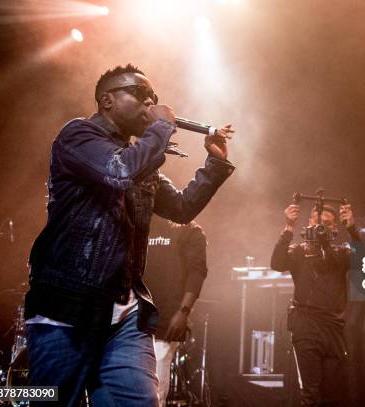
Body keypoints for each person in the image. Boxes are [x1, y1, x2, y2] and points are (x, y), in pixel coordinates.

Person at [24, 64, 235, 407]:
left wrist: (214, 165)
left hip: (124, 314)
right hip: (66, 307)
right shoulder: (77, 136)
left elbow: (181, 209)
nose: (151, 102)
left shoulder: (140, 160)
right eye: (140, 94)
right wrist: (163, 124)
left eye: (155, 97)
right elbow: (118, 171)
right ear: (106, 100)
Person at [271, 202, 360, 406]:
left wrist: (352, 229)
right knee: (311, 394)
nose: (321, 228)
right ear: (309, 223)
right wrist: (288, 227)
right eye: (318, 223)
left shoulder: (340, 254)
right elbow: (276, 263)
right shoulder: (299, 252)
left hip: (333, 328)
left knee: (333, 394)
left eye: (327, 224)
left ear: (334, 228)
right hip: (306, 326)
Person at [144, 219, 208, 407]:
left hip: (164, 320)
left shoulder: (189, 229)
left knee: (153, 392)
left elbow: (197, 273)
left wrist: (184, 311)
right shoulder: (140, 219)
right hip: (129, 315)